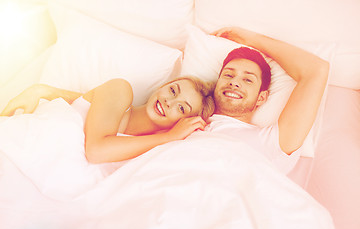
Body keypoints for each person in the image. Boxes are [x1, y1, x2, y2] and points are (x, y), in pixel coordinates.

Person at [1, 76, 215, 163]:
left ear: (183, 122)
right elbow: (96, 151)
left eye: (181, 107)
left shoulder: (151, 151)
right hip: (21, 151)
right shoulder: (120, 90)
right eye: (172, 90)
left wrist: (44, 90)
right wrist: (169, 137)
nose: (169, 101)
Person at [204, 27, 329, 174]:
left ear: (261, 98)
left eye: (248, 80)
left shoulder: (273, 143)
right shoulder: (185, 117)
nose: (234, 83)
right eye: (228, 75)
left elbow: (316, 70)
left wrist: (251, 39)